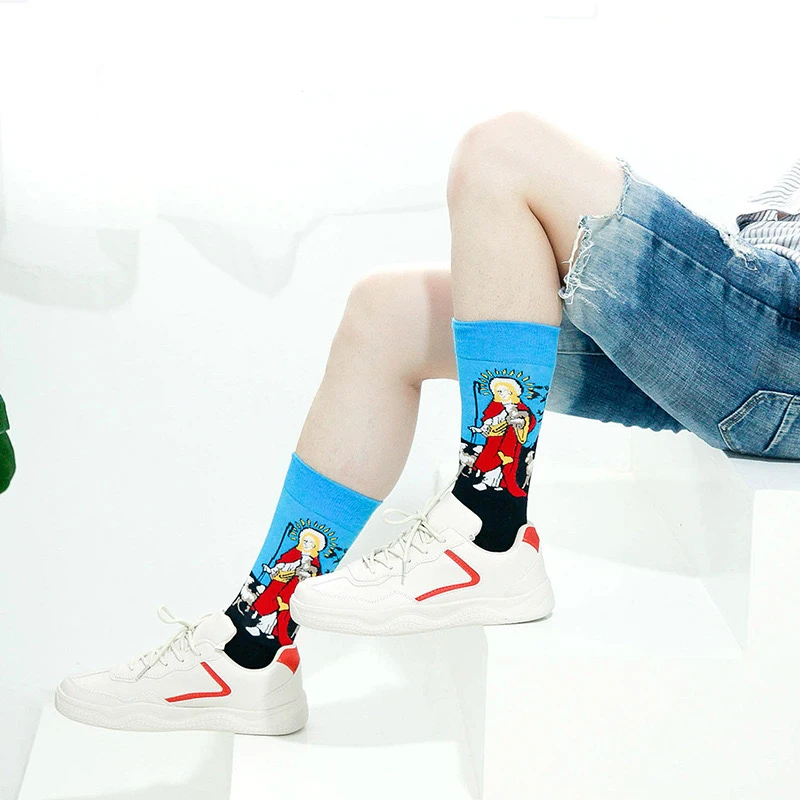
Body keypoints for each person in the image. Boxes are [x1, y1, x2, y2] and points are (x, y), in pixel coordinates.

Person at [53, 112, 800, 734]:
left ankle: (488, 528)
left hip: (780, 331)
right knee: (385, 315)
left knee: (504, 152)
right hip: (751, 324)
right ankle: (253, 648)